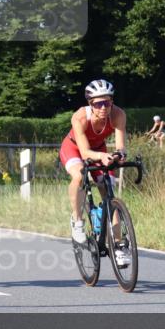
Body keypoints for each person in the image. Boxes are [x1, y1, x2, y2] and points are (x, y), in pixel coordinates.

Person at [58, 79, 130, 266]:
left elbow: (121, 145)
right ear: (91, 103)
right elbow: (85, 153)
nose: (104, 107)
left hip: (99, 148)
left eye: (107, 102)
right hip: (74, 148)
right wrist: (102, 156)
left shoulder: (118, 114)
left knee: (108, 190)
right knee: (80, 175)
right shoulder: (80, 117)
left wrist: (119, 155)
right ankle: (77, 220)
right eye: (99, 103)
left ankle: (119, 245)